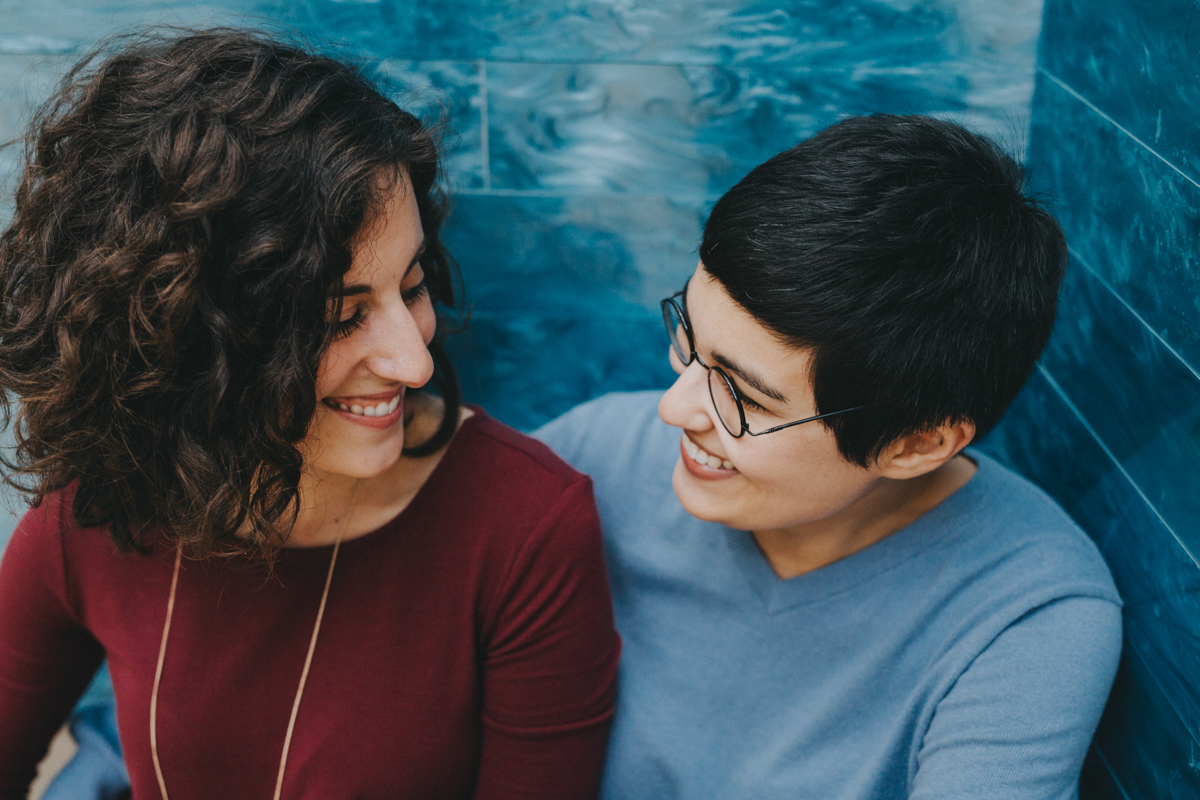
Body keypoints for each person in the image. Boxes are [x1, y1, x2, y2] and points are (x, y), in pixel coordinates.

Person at [0, 30, 619, 800]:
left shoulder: (525, 528)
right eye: (338, 315)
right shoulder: (98, 507)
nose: (414, 363)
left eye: (414, 284)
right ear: (191, 335)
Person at [535, 115, 1123, 798]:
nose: (673, 407)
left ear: (916, 443)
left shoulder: (1028, 616)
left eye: (745, 398)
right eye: (688, 339)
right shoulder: (597, 456)